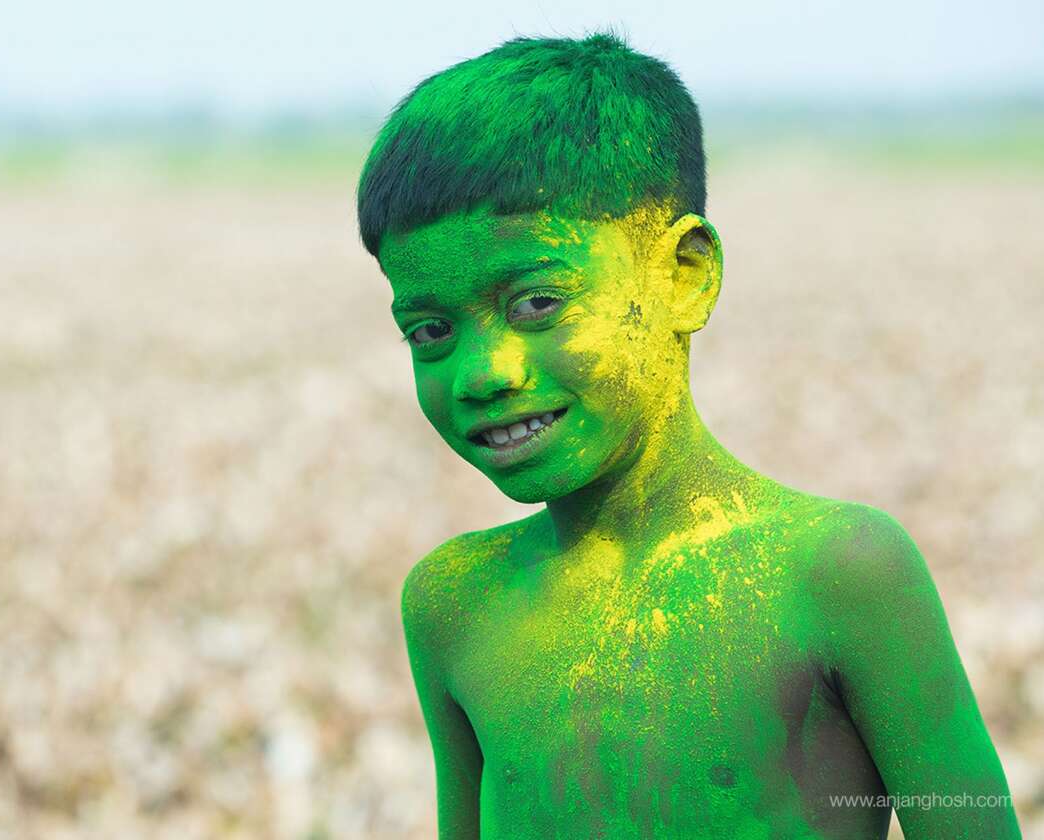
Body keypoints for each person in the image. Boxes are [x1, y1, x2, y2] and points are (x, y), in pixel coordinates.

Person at [355, 31, 1020, 839]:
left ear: (685, 276)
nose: (479, 374)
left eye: (536, 304)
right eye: (428, 330)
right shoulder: (452, 604)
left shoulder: (838, 573)